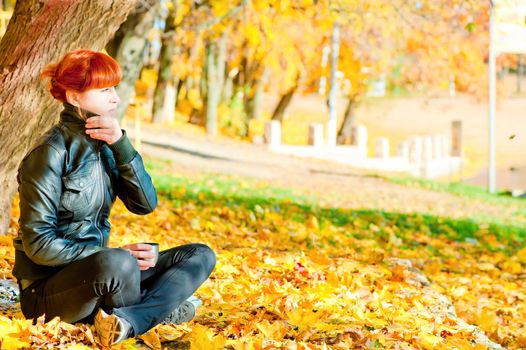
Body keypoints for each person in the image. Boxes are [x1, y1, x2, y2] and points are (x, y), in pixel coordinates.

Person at [11, 49, 216, 347]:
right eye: (105, 89)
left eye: (115, 88)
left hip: (103, 275)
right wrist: (114, 256)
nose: (115, 97)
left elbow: (144, 204)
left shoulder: (107, 144)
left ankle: (129, 319)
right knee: (119, 262)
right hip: (49, 292)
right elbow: (39, 244)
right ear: (74, 97)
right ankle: (155, 311)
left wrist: (121, 145)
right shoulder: (50, 153)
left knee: (199, 255)